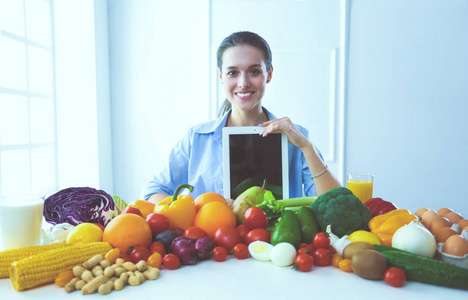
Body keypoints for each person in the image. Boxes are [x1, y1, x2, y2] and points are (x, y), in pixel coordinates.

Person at [141, 31, 341, 204]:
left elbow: (335, 204)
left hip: (281, 246)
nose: (243, 82)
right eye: (233, 73)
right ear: (221, 76)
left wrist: (306, 146)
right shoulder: (196, 138)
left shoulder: (296, 137)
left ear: (269, 74)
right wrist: (201, 207)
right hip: (212, 245)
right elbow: (152, 193)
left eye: (254, 71)